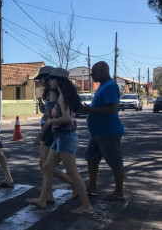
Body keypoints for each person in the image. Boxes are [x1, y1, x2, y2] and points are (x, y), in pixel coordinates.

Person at [26, 68, 93, 215]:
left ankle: (86, 205)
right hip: (59, 137)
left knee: (72, 172)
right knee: (47, 167)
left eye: (52, 79)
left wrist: (50, 121)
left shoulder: (62, 96)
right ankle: (42, 199)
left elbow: (66, 118)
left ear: (59, 80)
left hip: (65, 137)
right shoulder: (63, 95)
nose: (49, 81)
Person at [82, 61, 125, 201]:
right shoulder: (103, 86)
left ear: (103, 71)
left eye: (93, 72)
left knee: (115, 162)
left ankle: (119, 192)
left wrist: (90, 110)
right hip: (97, 132)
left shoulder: (110, 86)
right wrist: (90, 111)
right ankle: (92, 187)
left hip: (108, 132)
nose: (91, 75)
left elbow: (112, 109)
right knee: (91, 158)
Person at [34, 66, 72, 202]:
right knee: (45, 165)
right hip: (48, 128)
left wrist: (41, 132)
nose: (40, 82)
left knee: (46, 166)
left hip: (49, 130)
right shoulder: (51, 92)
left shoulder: (54, 93)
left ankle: (75, 185)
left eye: (41, 79)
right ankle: (48, 194)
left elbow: (52, 115)